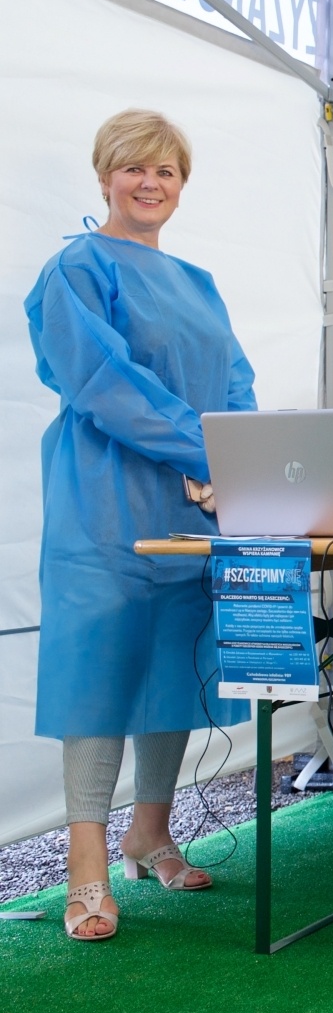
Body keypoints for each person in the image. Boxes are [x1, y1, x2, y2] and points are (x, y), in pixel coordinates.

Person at [25, 109, 257, 941]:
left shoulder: (197, 281)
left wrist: (239, 460)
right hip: (105, 495)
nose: (150, 183)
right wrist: (204, 451)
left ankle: (150, 829)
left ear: (182, 185)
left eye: (166, 171)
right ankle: (85, 862)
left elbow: (235, 379)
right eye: (135, 169)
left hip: (192, 500)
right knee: (98, 667)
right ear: (105, 176)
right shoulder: (76, 268)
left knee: (172, 659)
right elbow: (102, 381)